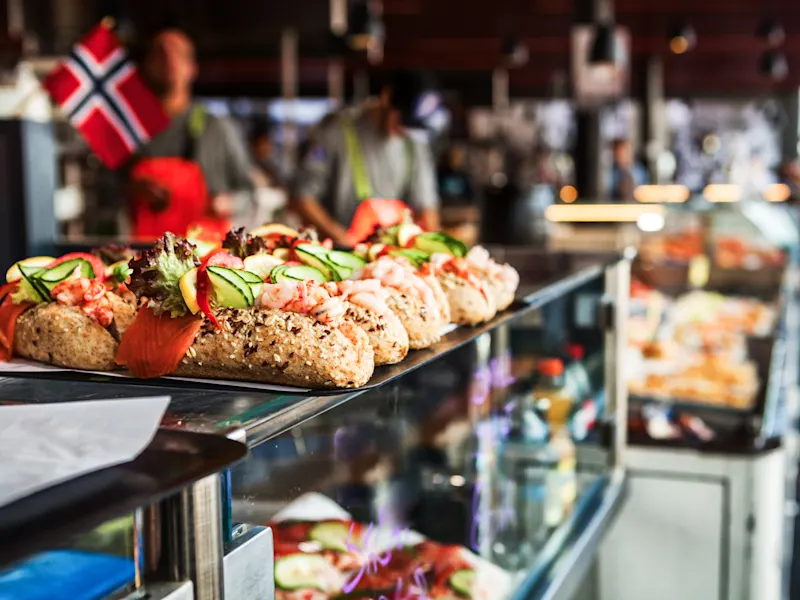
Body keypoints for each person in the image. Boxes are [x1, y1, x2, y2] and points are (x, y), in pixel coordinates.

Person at [291, 70, 441, 246]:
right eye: (401, 120)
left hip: (392, 254)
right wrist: (341, 237)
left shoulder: (415, 142)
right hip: (340, 250)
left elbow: (426, 207)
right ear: (386, 97)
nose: (404, 130)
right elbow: (302, 197)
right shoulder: (335, 132)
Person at [129, 29, 255, 237]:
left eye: (177, 53)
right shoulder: (131, 131)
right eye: (160, 53)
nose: (169, 60)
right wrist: (133, 189)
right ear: (147, 66)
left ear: (192, 69)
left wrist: (227, 203)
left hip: (205, 253)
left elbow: (249, 194)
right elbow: (106, 194)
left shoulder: (217, 128)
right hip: (146, 252)